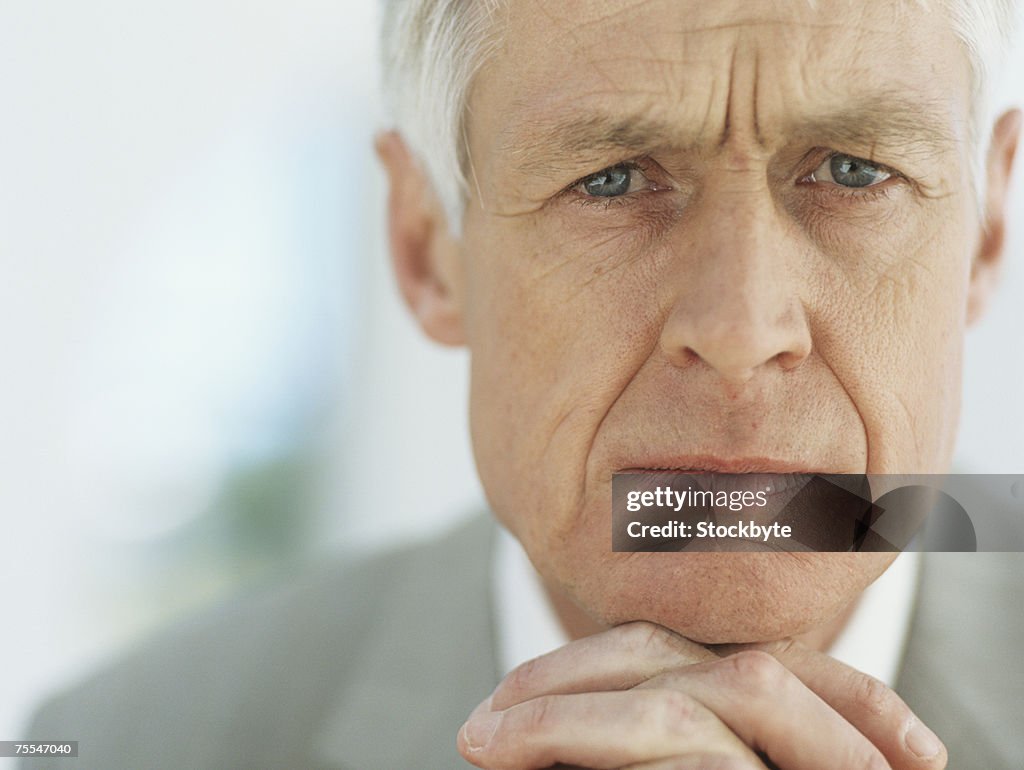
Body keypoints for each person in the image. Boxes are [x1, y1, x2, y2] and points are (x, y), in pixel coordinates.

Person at [23, 0, 1024, 768]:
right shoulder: (122, 739)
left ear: (983, 232)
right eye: (614, 178)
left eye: (851, 170)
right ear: (426, 251)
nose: (739, 332)